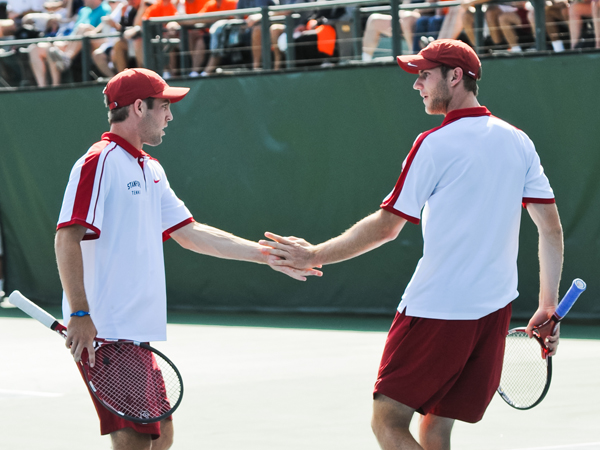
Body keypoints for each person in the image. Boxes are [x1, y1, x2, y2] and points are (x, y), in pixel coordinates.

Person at [260, 39, 564, 450]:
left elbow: (387, 227)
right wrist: (548, 306)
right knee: (436, 427)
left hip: (436, 309)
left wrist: (314, 254)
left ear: (455, 77)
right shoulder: (519, 141)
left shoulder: (434, 145)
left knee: (388, 420)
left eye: (424, 75)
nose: (416, 84)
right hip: (493, 311)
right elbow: (551, 230)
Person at [54, 68, 321, 450]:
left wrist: (268, 256)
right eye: (164, 106)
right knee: (134, 443)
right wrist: (80, 314)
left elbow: (190, 233)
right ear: (140, 107)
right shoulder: (98, 162)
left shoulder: (151, 169)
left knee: (162, 438)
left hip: (137, 332)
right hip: (106, 332)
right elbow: (67, 238)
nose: (170, 116)